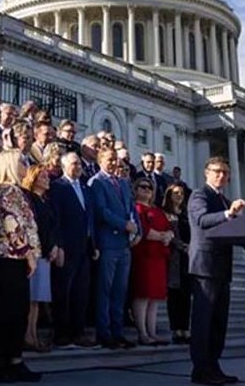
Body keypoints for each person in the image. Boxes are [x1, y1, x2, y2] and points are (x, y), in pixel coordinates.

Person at [0, 149, 43, 383]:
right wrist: (28, 254)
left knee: (18, 310)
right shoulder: (7, 191)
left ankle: (13, 359)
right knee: (7, 310)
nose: (26, 166)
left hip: (17, 258)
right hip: (9, 258)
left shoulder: (17, 191)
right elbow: (12, 224)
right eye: (21, 163)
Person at [189, 156, 245, 385]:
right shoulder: (199, 195)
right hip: (205, 265)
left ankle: (213, 366)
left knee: (218, 323)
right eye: (217, 171)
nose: (221, 176)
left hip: (222, 266)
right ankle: (201, 369)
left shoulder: (224, 200)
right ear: (207, 173)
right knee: (204, 321)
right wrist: (228, 214)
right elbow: (202, 219)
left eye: (225, 172)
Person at [89, 147, 138, 350]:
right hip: (108, 243)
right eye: (109, 159)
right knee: (105, 290)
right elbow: (102, 212)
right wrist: (124, 225)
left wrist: (137, 229)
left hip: (124, 245)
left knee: (120, 290)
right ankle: (104, 332)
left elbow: (131, 209)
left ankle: (118, 332)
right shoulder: (97, 182)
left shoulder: (123, 183)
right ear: (100, 160)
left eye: (115, 159)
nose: (113, 163)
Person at [49, 152, 97, 348]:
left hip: (84, 248)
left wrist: (94, 244)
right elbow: (55, 219)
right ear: (64, 166)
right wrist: (58, 245)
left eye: (79, 164)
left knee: (81, 292)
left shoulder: (85, 187)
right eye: (74, 164)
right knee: (63, 291)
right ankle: (61, 333)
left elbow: (90, 218)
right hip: (66, 248)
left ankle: (78, 332)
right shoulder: (57, 187)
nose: (78, 167)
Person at [130, 176, 172, 346]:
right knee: (143, 294)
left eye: (150, 188)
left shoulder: (158, 211)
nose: (147, 190)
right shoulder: (136, 208)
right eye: (143, 187)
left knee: (155, 297)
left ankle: (152, 332)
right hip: (144, 256)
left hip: (158, 257)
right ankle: (142, 333)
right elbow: (144, 231)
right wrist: (162, 236)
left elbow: (169, 229)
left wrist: (168, 236)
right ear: (136, 190)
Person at [23, 164, 60, 353]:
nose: (47, 180)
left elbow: (52, 227)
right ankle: (27, 336)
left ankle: (33, 335)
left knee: (37, 299)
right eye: (43, 177)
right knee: (29, 298)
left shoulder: (46, 201)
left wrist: (54, 246)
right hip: (33, 253)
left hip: (45, 254)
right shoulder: (29, 199)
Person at [165, 183, 192, 345]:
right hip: (173, 258)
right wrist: (183, 246)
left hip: (188, 259)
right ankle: (176, 329)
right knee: (174, 295)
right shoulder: (166, 214)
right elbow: (170, 235)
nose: (179, 195)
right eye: (175, 193)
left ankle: (185, 328)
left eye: (181, 193)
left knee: (186, 295)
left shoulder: (186, 214)